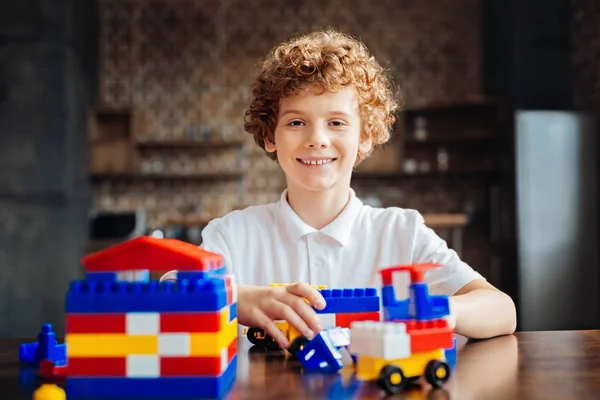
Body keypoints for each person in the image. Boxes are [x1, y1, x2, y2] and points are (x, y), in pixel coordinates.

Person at [161, 29, 517, 348]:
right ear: (270, 136)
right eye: (297, 122)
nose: (317, 139)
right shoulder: (233, 235)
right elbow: (166, 295)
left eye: (336, 122)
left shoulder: (402, 233)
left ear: (365, 137)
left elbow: (502, 310)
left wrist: (441, 310)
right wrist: (238, 298)